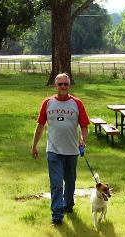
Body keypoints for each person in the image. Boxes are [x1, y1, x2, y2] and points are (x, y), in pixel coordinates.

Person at [31, 73, 90, 226]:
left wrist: (83, 139)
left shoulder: (77, 103)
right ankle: (57, 215)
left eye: (66, 84)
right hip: (54, 151)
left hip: (71, 151)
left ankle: (68, 205)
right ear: (55, 86)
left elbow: (84, 126)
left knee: (70, 181)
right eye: (60, 84)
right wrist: (34, 145)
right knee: (56, 183)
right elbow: (40, 126)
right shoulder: (48, 103)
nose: (63, 87)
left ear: (69, 86)